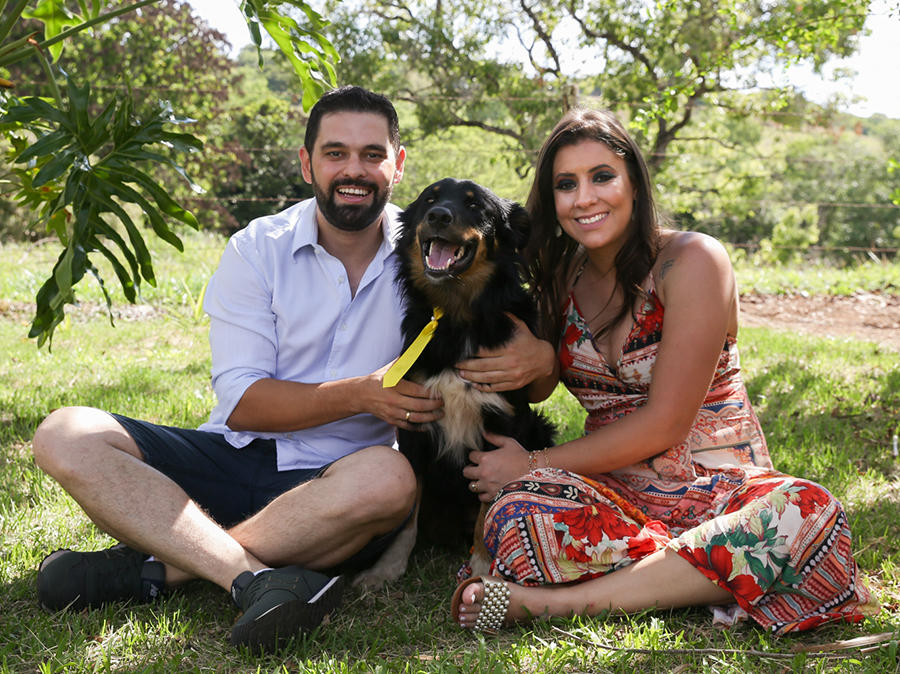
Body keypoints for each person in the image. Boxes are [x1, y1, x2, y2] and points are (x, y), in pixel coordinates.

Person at [31, 86, 443, 653]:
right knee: (65, 433)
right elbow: (244, 401)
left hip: (335, 491)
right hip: (231, 455)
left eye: (373, 154)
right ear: (307, 163)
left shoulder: (431, 258)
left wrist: (540, 355)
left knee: (392, 478)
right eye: (335, 153)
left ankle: (157, 569)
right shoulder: (257, 248)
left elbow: (496, 320)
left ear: (398, 164)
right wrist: (361, 394)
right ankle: (248, 576)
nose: (355, 170)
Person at [449, 107, 880, 635]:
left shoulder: (693, 260)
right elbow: (537, 387)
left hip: (718, 488)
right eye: (566, 184)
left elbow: (666, 424)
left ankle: (552, 604)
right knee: (516, 516)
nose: (585, 198)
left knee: (808, 513)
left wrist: (533, 461)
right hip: (611, 497)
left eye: (602, 176)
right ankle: (700, 574)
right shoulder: (560, 277)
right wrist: (543, 358)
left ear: (633, 182)